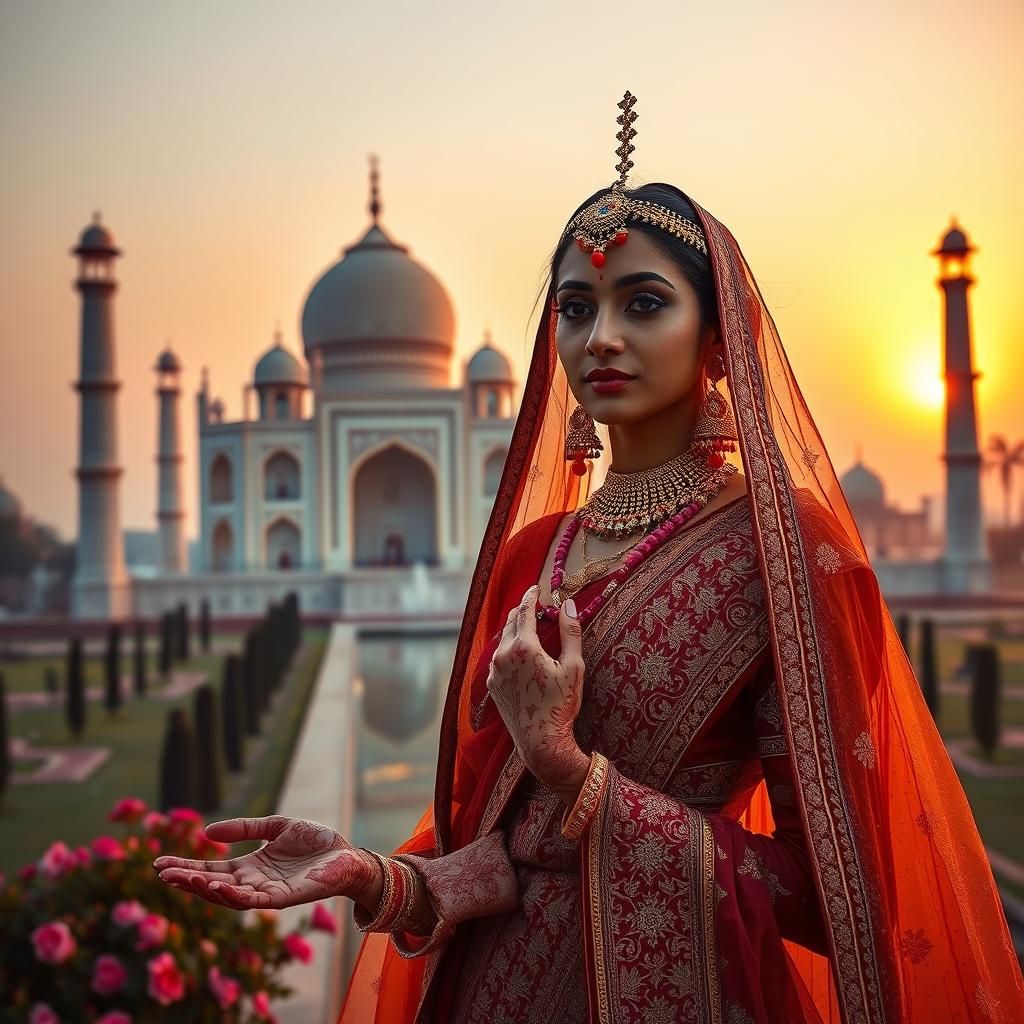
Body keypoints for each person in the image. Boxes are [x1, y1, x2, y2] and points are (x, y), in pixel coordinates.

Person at [154, 93, 1024, 1023]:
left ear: (719, 335)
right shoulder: (537, 550)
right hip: (489, 991)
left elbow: (828, 897)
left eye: (643, 303)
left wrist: (575, 772)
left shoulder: (780, 555)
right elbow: (511, 855)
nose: (601, 336)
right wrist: (369, 873)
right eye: (576, 308)